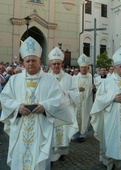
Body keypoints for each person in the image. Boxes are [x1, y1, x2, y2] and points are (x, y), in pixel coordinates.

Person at [0, 36, 73, 170]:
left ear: (40, 62)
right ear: (23, 63)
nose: (31, 63)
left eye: (34, 60)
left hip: (41, 127)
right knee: (20, 159)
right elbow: (5, 98)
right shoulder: (14, 80)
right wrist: (17, 107)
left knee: (39, 162)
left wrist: (45, 107)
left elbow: (60, 100)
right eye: (28, 60)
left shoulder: (50, 80)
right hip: (20, 127)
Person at [48, 46, 78, 161]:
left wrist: (65, 93)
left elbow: (75, 92)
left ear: (62, 65)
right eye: (54, 64)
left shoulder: (69, 78)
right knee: (51, 133)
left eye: (58, 64)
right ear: (51, 65)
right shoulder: (46, 78)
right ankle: (51, 155)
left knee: (63, 132)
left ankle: (62, 152)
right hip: (51, 112)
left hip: (64, 110)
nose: (56, 66)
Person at [71, 53, 93, 142]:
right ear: (79, 68)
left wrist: (94, 88)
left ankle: (83, 135)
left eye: (85, 67)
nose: (83, 69)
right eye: (82, 67)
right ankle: (75, 135)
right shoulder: (74, 78)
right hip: (77, 103)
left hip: (87, 102)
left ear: (88, 68)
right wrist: (77, 89)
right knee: (76, 117)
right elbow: (71, 89)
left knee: (85, 117)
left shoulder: (91, 77)